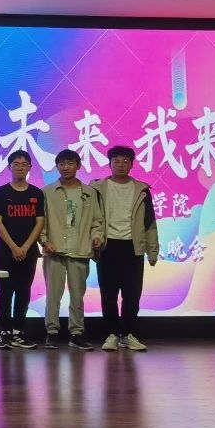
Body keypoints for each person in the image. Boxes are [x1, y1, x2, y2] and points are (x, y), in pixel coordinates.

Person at [90, 146, 159, 353]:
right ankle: (112, 334)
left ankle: (127, 334)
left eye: (125, 161)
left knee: (132, 294)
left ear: (132, 164)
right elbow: (91, 219)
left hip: (133, 247)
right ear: (109, 164)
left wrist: (152, 250)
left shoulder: (142, 190)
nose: (120, 165)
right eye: (116, 161)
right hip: (108, 246)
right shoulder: (97, 188)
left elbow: (150, 223)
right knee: (108, 294)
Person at [40, 149, 104, 350]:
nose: (66, 167)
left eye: (70, 163)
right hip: (55, 250)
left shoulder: (89, 192)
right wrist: (44, 241)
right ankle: (51, 332)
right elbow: (40, 221)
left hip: (80, 249)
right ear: (57, 166)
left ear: (78, 166)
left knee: (77, 295)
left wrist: (97, 236)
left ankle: (77, 333)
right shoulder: (47, 192)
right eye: (62, 164)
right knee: (53, 294)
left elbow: (97, 221)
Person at [0, 150, 46, 349]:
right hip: (5, 252)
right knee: (4, 293)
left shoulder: (36, 193)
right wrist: (13, 247)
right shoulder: (0, 193)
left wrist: (26, 247)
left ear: (30, 167)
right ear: (9, 167)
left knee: (23, 292)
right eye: (16, 164)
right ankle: (4, 333)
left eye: (24, 164)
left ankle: (19, 332)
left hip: (29, 252)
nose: (20, 167)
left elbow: (40, 222)